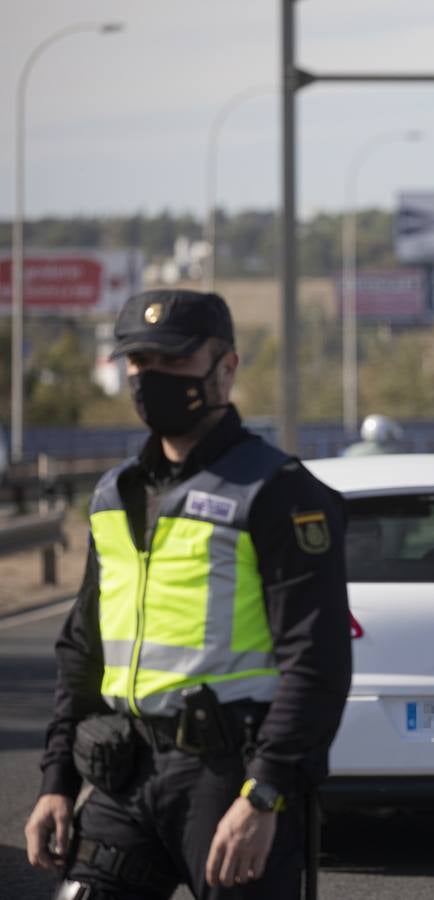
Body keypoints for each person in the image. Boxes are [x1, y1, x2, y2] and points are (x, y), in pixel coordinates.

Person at [25, 289, 352, 899]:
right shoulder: (112, 495)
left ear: (225, 367)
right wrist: (57, 782)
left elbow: (319, 662)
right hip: (124, 774)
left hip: (231, 779)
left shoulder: (278, 492)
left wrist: (266, 793)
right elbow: (82, 651)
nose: (153, 378)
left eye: (173, 361)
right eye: (140, 363)